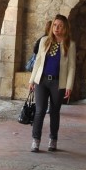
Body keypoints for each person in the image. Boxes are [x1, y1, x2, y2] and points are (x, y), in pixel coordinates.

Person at [28, 14, 75, 152]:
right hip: (41, 81)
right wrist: (32, 80)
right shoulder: (44, 41)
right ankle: (35, 141)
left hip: (57, 83)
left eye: (60, 26)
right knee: (40, 111)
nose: (56, 28)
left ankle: (53, 139)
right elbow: (37, 62)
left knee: (54, 112)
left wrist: (69, 86)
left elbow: (72, 67)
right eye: (55, 25)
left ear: (65, 28)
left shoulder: (69, 44)